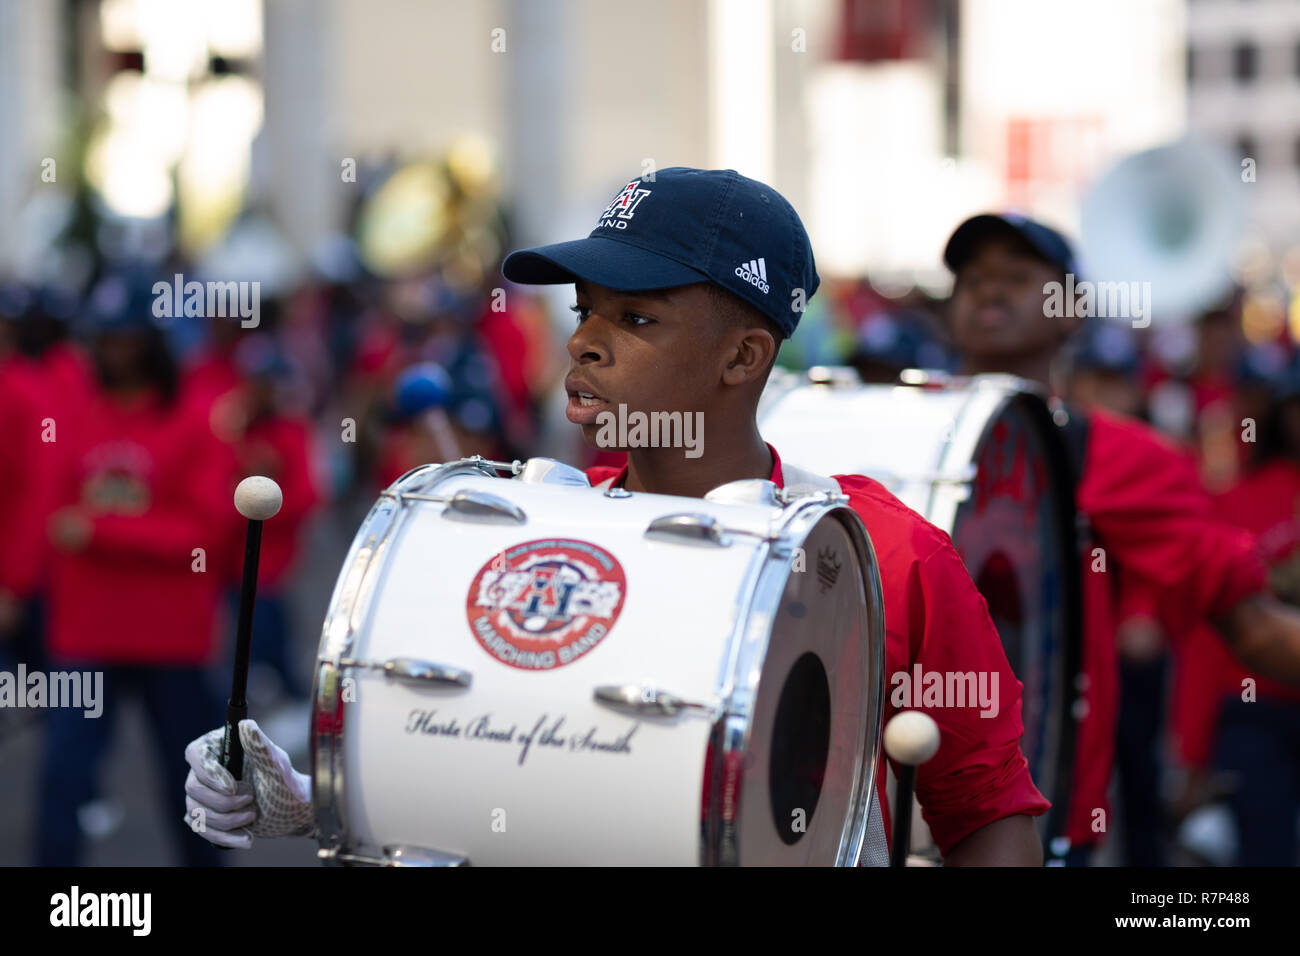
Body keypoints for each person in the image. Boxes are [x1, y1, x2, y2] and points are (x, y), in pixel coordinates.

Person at [185, 167, 1048, 864]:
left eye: (636, 317)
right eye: (584, 310)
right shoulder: (528, 534)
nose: (583, 342)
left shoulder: (882, 554)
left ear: (744, 355)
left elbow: (989, 818)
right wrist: (319, 796)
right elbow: (497, 760)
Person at [942, 212, 1300, 864]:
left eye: (1018, 278)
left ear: (1071, 309)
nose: (988, 291)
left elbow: (1253, 626)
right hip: (880, 811)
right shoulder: (887, 433)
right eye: (972, 278)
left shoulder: (1121, 455)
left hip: (1038, 824)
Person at [35, 275, 240, 866]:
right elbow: (48, 510)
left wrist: (103, 530)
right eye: (106, 339)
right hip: (84, 632)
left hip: (170, 636)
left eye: (128, 339)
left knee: (197, 789)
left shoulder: (197, 420)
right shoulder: (74, 413)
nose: (115, 352)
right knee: (62, 778)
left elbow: (204, 532)